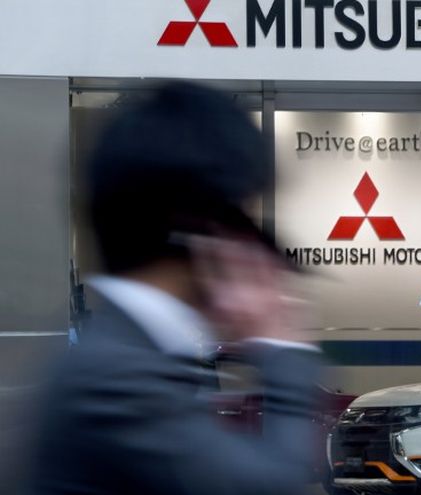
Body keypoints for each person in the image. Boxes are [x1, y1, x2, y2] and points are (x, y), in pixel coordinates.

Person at [28, 82, 322, 495]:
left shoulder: (135, 356)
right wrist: (283, 346)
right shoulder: (115, 380)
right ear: (198, 225)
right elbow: (262, 485)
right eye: (240, 219)